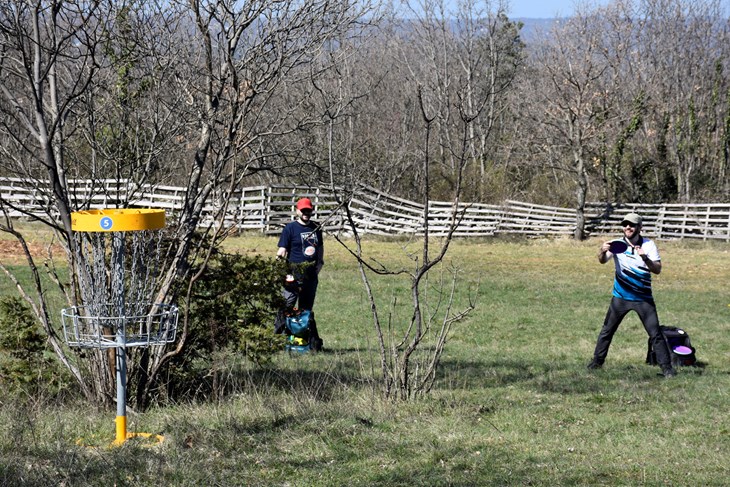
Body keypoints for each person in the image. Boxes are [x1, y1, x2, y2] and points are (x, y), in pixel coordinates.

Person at [587, 212, 677, 378]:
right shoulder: (617, 244)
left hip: (643, 299)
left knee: (655, 334)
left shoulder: (649, 245)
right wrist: (601, 251)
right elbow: (602, 260)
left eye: (632, 225)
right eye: (625, 224)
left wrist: (645, 258)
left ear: (639, 228)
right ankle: (596, 363)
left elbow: (657, 270)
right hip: (620, 297)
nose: (628, 227)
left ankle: (667, 369)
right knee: (607, 331)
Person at [275, 197, 324, 351]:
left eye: (308, 210)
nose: (306, 213)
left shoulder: (316, 228)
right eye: (303, 210)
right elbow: (282, 251)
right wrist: (280, 270)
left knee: (305, 310)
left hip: (310, 277)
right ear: (297, 211)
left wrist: (320, 264)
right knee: (286, 307)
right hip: (292, 277)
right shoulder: (290, 229)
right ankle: (276, 339)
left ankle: (303, 341)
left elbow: (320, 248)